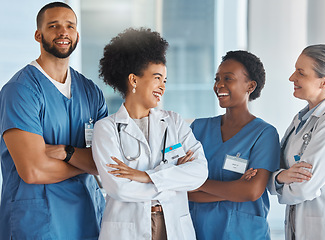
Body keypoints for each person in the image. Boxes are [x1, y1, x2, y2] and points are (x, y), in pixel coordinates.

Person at [0, 2, 107, 239]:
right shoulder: (21, 90)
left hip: (87, 217)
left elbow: (105, 163)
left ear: (77, 35)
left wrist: (65, 152)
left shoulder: (91, 92)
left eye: (70, 26)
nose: (63, 32)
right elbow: (33, 170)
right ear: (39, 35)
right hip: (37, 222)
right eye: (54, 26)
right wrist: (83, 163)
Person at [91, 28, 208, 240]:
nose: (162, 86)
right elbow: (118, 188)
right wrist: (173, 178)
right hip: (128, 229)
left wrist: (145, 176)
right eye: (157, 78)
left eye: (165, 80)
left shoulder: (173, 121)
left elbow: (200, 173)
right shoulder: (106, 128)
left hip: (174, 226)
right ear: (134, 80)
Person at [268, 44, 325, 240]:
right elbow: (277, 169)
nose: (292, 78)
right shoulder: (301, 119)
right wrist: (281, 177)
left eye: (301, 73)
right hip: (299, 226)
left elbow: (304, 187)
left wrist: (277, 181)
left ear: (324, 82)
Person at [188, 50, 280, 239]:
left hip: (244, 233)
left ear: (250, 86)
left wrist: (201, 184)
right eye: (217, 78)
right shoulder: (198, 128)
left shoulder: (264, 134)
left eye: (228, 78)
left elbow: (252, 191)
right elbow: (183, 189)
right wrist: (236, 189)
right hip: (199, 231)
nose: (219, 85)